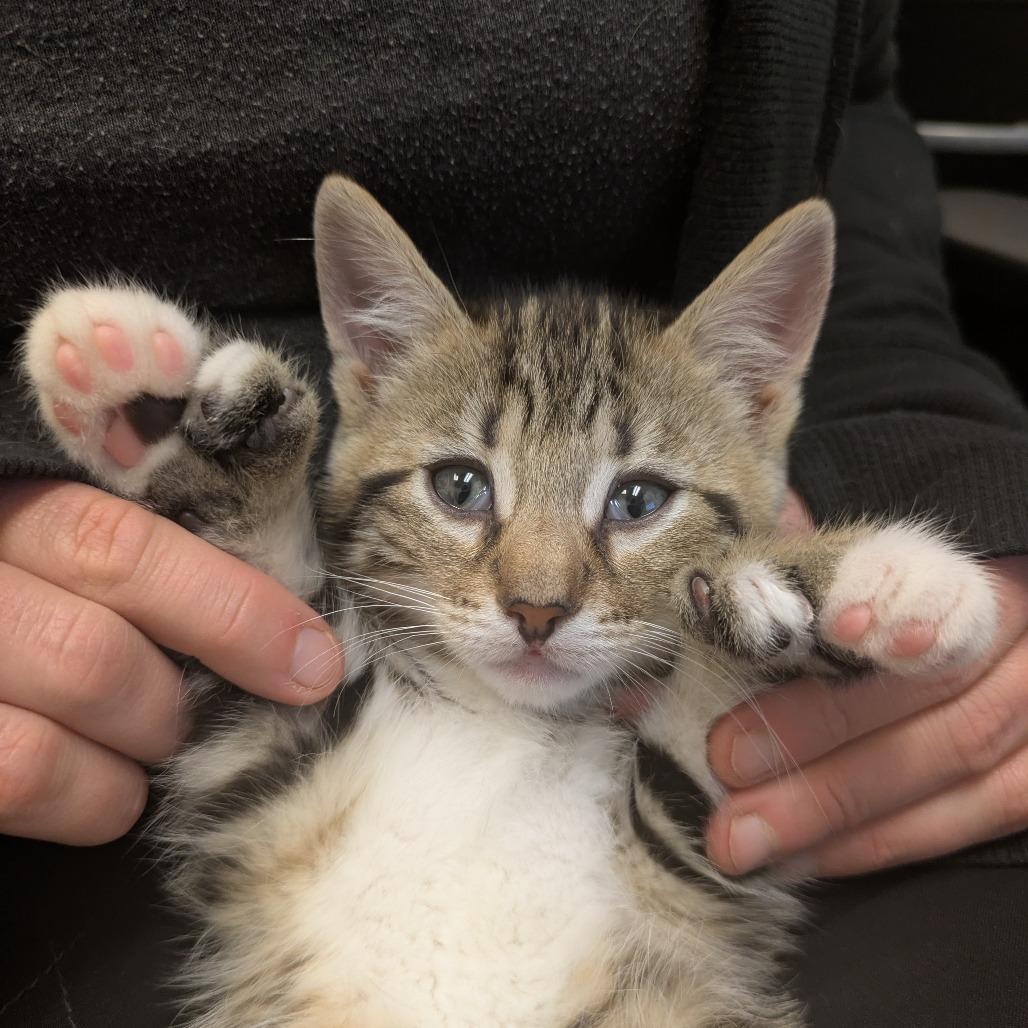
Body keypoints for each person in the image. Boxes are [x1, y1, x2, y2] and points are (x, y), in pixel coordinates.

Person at [1, 1, 1026, 1024]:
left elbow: (852, 122)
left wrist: (950, 486)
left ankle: (228, 466)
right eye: (462, 488)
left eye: (632, 498)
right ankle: (233, 472)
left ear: (758, 401)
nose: (537, 592)